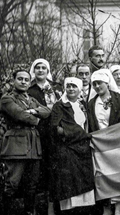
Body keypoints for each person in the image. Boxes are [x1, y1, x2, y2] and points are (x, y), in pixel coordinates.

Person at [0, 69, 52, 215]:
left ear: (30, 82)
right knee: (12, 183)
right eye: (20, 79)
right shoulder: (7, 98)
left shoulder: (31, 99)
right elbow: (21, 116)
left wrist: (33, 111)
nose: (23, 82)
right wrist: (35, 116)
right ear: (13, 80)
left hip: (34, 146)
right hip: (15, 145)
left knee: (32, 184)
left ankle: (30, 212)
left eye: (26, 80)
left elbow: (47, 111)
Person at [49, 77, 95, 212]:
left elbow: (88, 125)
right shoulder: (60, 105)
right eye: (68, 86)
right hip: (68, 148)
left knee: (84, 186)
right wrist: (74, 133)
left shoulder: (83, 105)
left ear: (79, 89)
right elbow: (55, 128)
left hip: (83, 150)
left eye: (74, 86)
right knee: (69, 186)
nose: (71, 89)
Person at [87, 69, 120, 215]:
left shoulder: (118, 99)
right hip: (100, 144)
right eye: (95, 84)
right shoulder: (92, 103)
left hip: (116, 142)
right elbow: (92, 124)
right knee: (102, 175)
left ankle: (118, 207)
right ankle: (106, 206)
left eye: (100, 83)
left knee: (118, 174)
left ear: (107, 83)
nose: (97, 87)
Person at [27, 58, 61, 215]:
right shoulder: (29, 90)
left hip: (53, 135)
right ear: (33, 70)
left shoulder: (55, 89)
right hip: (36, 134)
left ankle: (50, 208)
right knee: (34, 173)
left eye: (43, 68)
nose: (40, 70)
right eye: (37, 68)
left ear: (48, 71)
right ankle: (32, 208)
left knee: (52, 172)